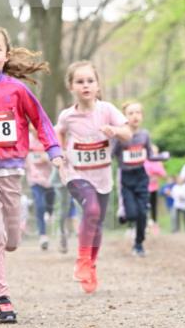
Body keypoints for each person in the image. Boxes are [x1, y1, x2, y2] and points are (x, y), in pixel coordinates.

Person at [0, 25, 63, 323]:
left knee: (12, 239)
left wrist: (54, 150)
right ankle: (1, 299)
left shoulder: (18, 90)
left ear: (6, 55)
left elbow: (41, 121)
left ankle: (11, 234)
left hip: (10, 170)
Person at [56, 60, 130, 294]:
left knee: (96, 224)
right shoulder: (68, 116)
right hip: (76, 174)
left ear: (98, 86)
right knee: (93, 211)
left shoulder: (107, 110)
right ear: (71, 87)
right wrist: (59, 155)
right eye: (80, 81)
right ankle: (82, 260)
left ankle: (91, 264)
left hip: (102, 175)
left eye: (90, 81)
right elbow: (58, 131)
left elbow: (128, 133)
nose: (85, 85)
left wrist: (115, 131)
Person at [112, 101, 161, 257]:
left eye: (138, 113)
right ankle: (126, 214)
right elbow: (111, 155)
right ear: (125, 117)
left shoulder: (144, 135)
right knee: (132, 214)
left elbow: (150, 155)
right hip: (126, 177)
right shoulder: (120, 135)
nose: (135, 116)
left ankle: (139, 244)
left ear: (142, 116)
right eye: (131, 113)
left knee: (142, 213)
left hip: (141, 175)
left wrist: (162, 157)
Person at [25, 131, 54, 250]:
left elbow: (57, 156)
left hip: (50, 179)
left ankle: (50, 214)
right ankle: (43, 236)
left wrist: (47, 158)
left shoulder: (49, 137)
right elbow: (23, 157)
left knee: (49, 206)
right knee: (40, 205)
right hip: (35, 179)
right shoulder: (27, 139)